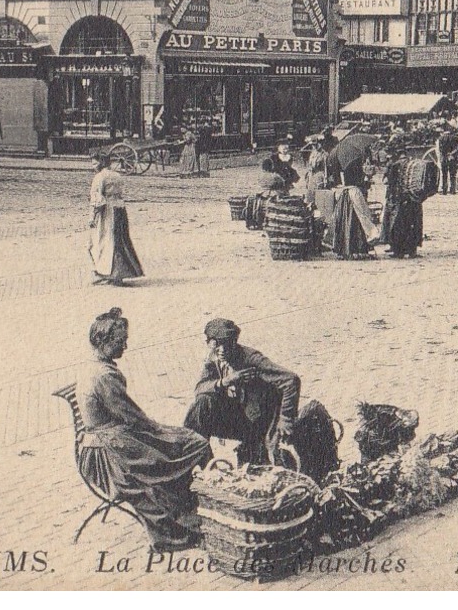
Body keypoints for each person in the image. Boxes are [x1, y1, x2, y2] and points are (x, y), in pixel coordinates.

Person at [78, 308, 211, 553]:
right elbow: (133, 417)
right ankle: (181, 527)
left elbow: (130, 417)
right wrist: (164, 433)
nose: (125, 346)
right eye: (121, 341)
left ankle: (192, 512)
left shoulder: (95, 366)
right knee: (187, 449)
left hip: (114, 440)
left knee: (181, 445)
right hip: (109, 456)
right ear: (102, 341)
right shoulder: (103, 376)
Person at [183, 318, 301, 468]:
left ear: (234, 342)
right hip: (237, 416)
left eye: (227, 343)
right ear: (209, 343)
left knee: (263, 466)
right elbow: (200, 388)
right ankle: (202, 462)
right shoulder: (214, 358)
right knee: (201, 403)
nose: (222, 350)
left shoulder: (251, 359)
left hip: (259, 421)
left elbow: (291, 380)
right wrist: (226, 381)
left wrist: (286, 419)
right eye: (216, 344)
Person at [88, 152, 144, 285]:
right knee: (120, 240)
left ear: (101, 163)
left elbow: (98, 199)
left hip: (107, 211)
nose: (93, 166)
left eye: (95, 163)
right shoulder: (117, 175)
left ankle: (111, 273)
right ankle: (119, 272)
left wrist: (93, 217)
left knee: (105, 241)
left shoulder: (99, 177)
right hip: (120, 209)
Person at [381, 148, 426, 259]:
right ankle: (412, 250)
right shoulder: (413, 164)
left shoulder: (393, 165)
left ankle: (398, 251)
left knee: (398, 224)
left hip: (399, 199)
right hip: (413, 199)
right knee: (413, 223)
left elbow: (388, 182)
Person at [437, 127, 458, 196]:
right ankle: (452, 190)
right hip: (452, 157)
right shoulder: (454, 138)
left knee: (444, 174)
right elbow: (457, 148)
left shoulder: (441, 138)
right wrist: (451, 154)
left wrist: (444, 155)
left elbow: (440, 149)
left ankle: (444, 190)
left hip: (444, 158)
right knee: (453, 174)